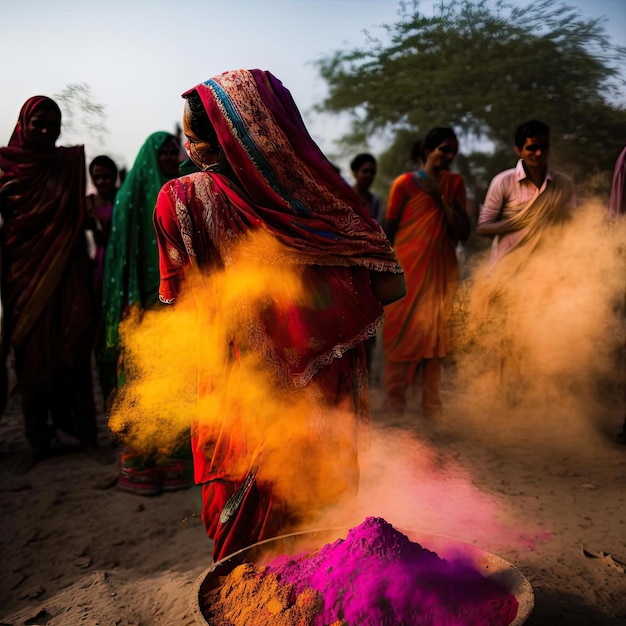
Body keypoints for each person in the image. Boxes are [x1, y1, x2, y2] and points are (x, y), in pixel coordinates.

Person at [151, 69, 405, 562]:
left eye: (192, 135)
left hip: (236, 389)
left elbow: (183, 304)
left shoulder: (179, 199)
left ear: (219, 139)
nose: (186, 145)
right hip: (320, 397)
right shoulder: (329, 205)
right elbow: (391, 286)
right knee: (316, 529)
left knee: (243, 551)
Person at [0, 96, 98, 467]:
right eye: (38, 123)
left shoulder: (69, 163)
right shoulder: (4, 165)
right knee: (30, 358)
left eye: (52, 124)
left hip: (68, 272)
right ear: (24, 124)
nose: (45, 131)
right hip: (22, 275)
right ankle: (37, 440)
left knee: (73, 349)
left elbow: (81, 220)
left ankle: (84, 434)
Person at [100, 131, 187, 494]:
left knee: (175, 379)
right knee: (141, 380)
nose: (170, 156)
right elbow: (122, 257)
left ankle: (174, 460)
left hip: (178, 302)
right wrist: (132, 300)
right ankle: (140, 464)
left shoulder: (180, 191)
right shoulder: (130, 196)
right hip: (142, 302)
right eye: (164, 151)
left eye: (173, 150)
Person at [382, 128, 470, 419]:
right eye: (444, 149)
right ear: (428, 151)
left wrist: (440, 198)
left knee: (437, 334)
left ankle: (431, 405)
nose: (449, 155)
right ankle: (395, 403)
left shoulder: (454, 183)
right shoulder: (404, 184)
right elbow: (389, 230)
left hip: (441, 269)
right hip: (408, 267)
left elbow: (463, 231)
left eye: (452, 150)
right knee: (400, 331)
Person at [476, 120, 575, 267]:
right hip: (508, 268)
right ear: (518, 150)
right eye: (532, 148)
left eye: (544, 147)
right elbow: (482, 228)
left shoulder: (563, 183)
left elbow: (573, 223)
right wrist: (521, 223)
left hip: (547, 267)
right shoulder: (503, 181)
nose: (539, 153)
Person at [85, 155, 119, 406]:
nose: (102, 181)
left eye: (106, 176)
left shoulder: (123, 198)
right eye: (98, 177)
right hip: (99, 269)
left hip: (119, 264)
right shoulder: (88, 203)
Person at [350, 153, 382, 223]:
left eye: (372, 172)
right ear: (355, 173)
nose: (369, 175)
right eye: (365, 171)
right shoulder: (345, 194)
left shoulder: (375, 200)